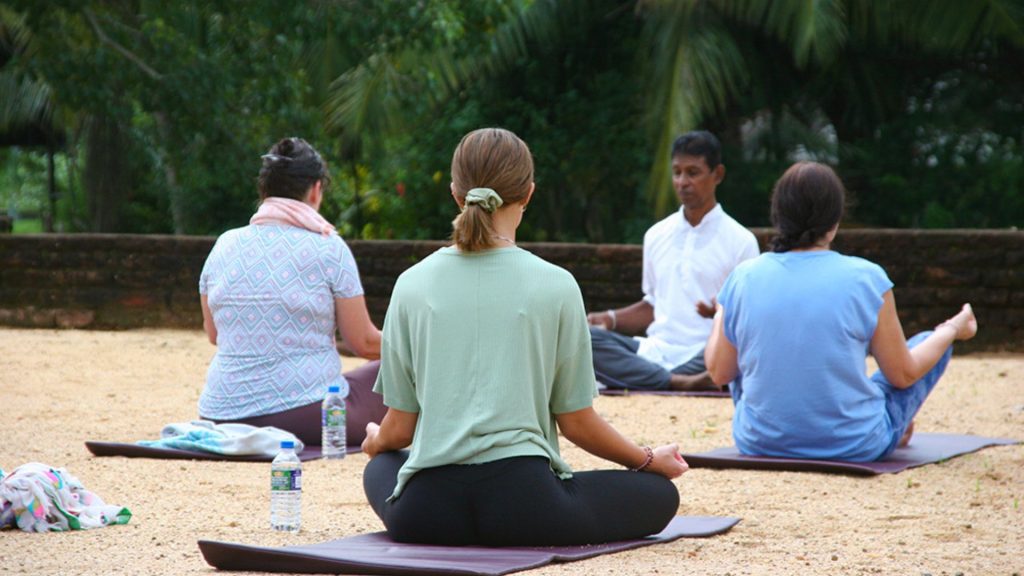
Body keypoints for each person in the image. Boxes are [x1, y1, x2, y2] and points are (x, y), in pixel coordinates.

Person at [361, 127, 687, 546]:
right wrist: (646, 459)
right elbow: (576, 422)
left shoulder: (410, 283)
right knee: (659, 494)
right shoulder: (557, 285)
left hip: (426, 514)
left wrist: (375, 443)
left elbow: (399, 429)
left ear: (456, 194)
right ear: (529, 193)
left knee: (380, 467)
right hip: (528, 508)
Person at [705, 161, 978, 461]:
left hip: (759, 441)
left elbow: (720, 372)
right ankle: (893, 421)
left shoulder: (743, 277)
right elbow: (902, 374)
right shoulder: (867, 278)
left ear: (778, 217)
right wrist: (952, 329)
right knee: (931, 341)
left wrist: (722, 310)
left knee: (741, 342)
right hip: (855, 442)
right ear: (834, 222)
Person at [197, 137, 386, 447]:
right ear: (315, 189)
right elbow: (363, 342)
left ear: (264, 191)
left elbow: (214, 334)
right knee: (406, 370)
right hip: (307, 415)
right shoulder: (328, 248)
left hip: (220, 413)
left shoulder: (224, 244)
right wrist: (421, 348)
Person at [587, 131, 759, 391]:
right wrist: (610, 318)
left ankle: (651, 380)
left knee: (730, 357)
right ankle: (674, 382)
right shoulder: (656, 235)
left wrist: (719, 313)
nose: (682, 182)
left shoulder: (741, 241)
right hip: (653, 350)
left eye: (693, 172)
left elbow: (750, 320)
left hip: (704, 355)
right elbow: (654, 305)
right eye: (677, 172)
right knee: (584, 338)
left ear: (718, 175)